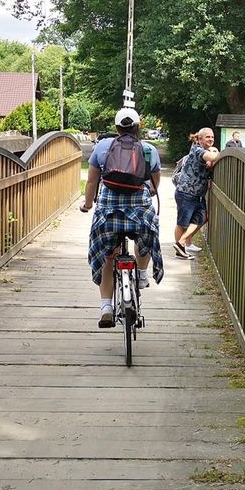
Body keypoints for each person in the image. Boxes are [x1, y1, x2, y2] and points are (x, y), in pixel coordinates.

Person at [80, 108, 163, 328]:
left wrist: (88, 205)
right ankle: (143, 274)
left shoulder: (103, 147)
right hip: (138, 211)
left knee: (108, 255)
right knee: (146, 238)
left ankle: (106, 306)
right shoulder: (148, 149)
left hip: (109, 213)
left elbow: (91, 182)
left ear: (116, 128)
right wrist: (149, 194)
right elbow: (155, 181)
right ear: (138, 126)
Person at [173, 127, 219, 259]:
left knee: (202, 217)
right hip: (187, 192)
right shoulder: (198, 150)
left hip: (196, 193)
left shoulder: (200, 150)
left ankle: (181, 243)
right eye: (207, 137)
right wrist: (222, 153)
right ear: (199, 139)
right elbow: (210, 156)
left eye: (212, 137)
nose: (211, 139)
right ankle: (181, 249)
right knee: (182, 223)